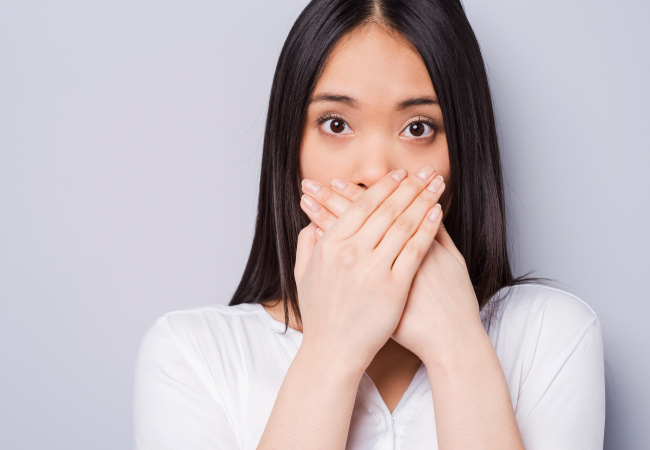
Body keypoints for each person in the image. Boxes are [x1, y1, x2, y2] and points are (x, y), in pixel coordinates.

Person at [133, 1, 606, 449]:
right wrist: (332, 350)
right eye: (336, 124)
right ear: (291, 148)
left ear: (463, 151)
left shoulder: (548, 334)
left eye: (418, 127)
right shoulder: (192, 355)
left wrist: (458, 348)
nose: (375, 172)